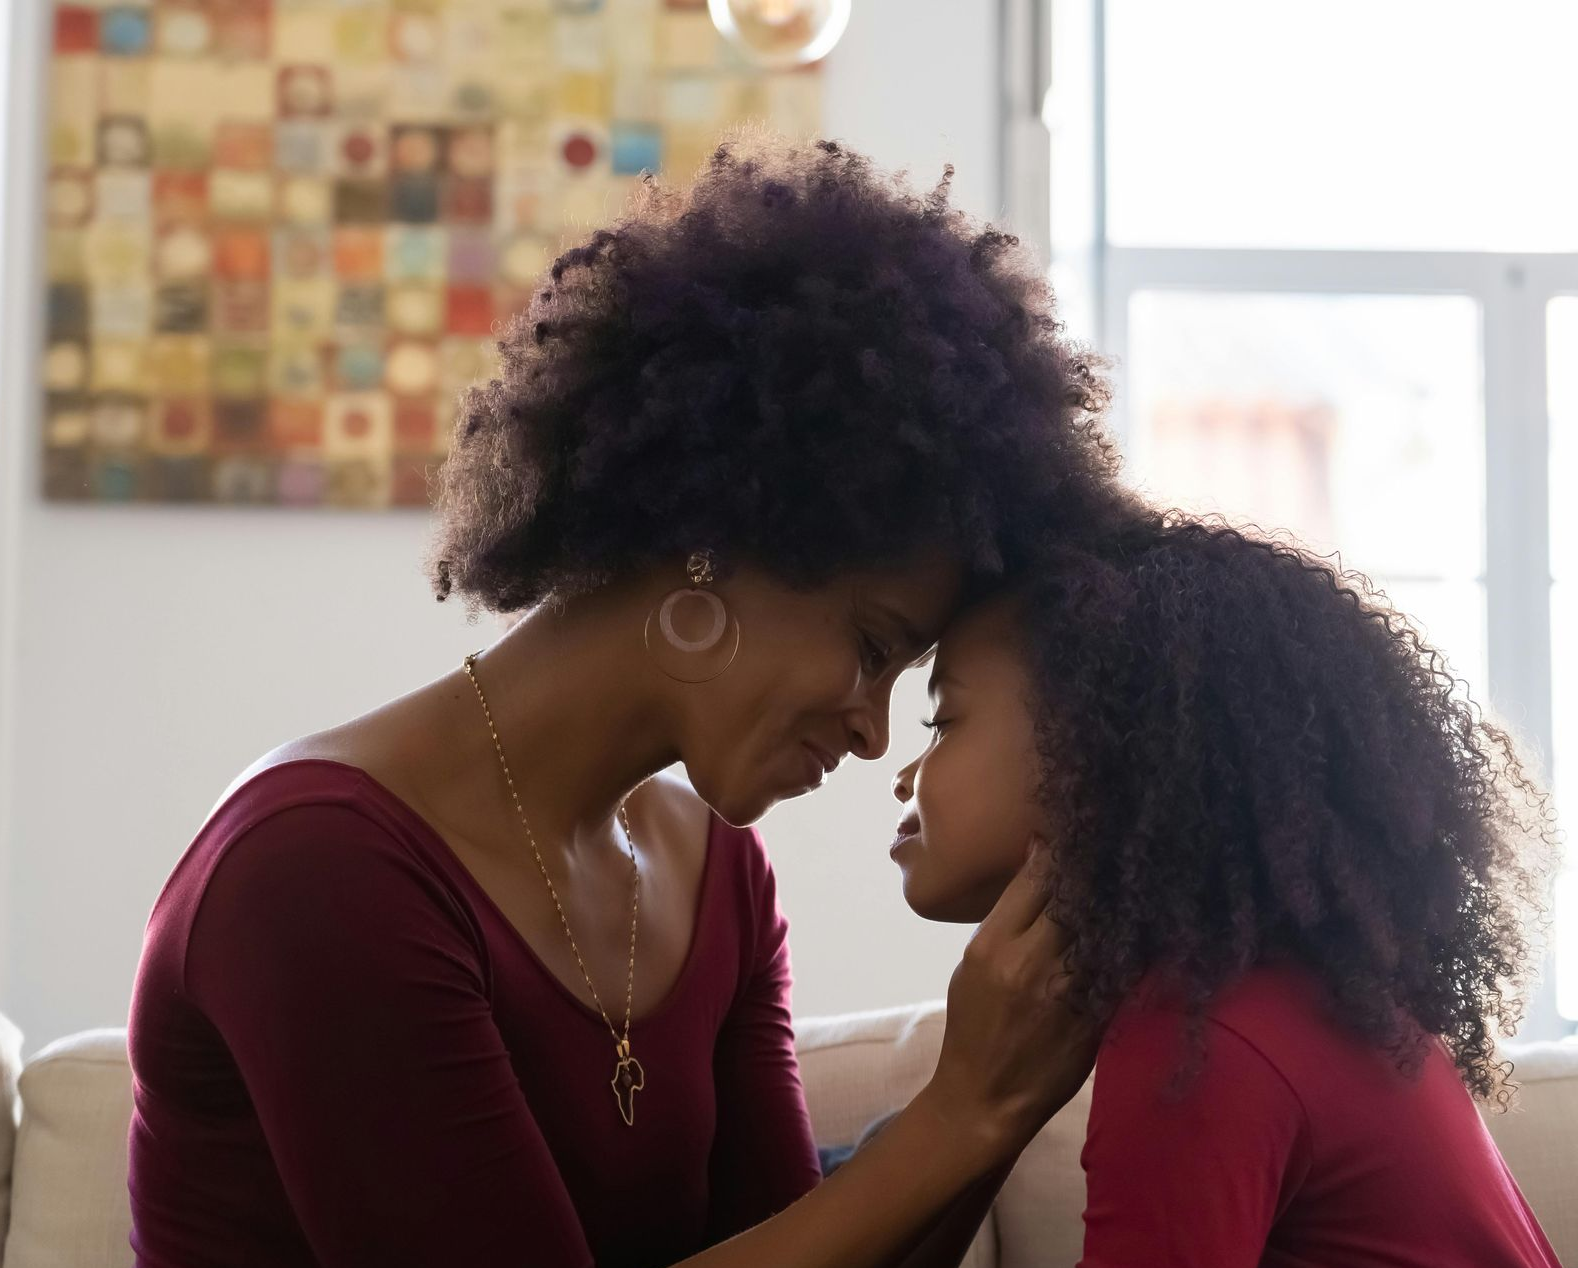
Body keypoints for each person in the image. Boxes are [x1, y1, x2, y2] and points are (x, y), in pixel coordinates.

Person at [126, 130, 1133, 1268]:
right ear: (715, 539)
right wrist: (960, 1111)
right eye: (869, 645)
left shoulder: (717, 878)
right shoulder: (315, 869)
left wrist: (998, 1101)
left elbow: (798, 1242)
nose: (870, 732)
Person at [888, 511, 1566, 1267]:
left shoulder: (1200, 1036)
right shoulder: (1289, 995)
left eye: (943, 721)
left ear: (1100, 755)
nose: (903, 776)